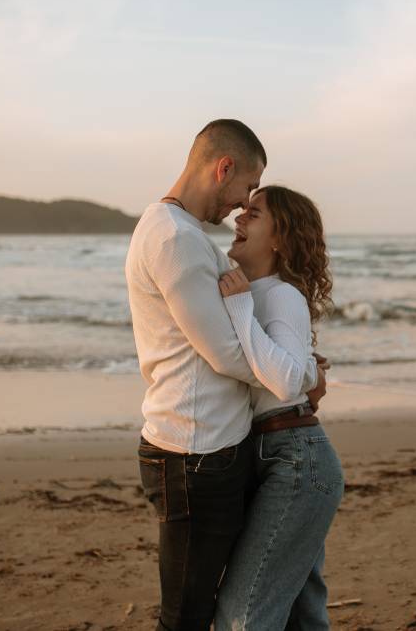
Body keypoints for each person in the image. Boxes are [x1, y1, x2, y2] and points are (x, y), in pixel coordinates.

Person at [125, 120, 324, 631]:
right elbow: (226, 355)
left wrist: (295, 370)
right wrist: (296, 378)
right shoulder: (175, 238)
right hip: (195, 452)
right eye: (247, 188)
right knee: (191, 615)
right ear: (224, 168)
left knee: (265, 597)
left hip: (208, 447)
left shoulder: (177, 232)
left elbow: (241, 342)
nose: (241, 204)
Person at [215, 185, 344, 630]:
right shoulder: (255, 292)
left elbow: (287, 379)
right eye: (243, 211)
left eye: (254, 214)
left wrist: (239, 307)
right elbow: (295, 373)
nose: (239, 219)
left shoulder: (279, 294)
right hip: (279, 455)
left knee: (244, 615)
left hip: (296, 458)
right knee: (300, 612)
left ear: (279, 238)